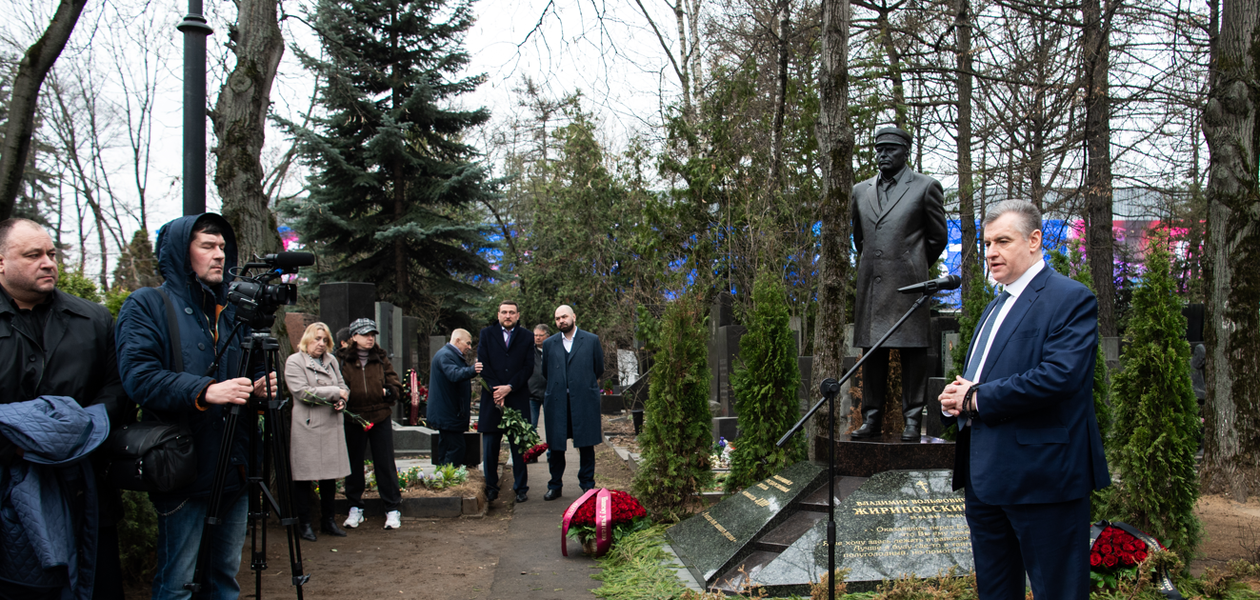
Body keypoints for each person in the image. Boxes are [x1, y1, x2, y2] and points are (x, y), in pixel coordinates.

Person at [938, 200, 1110, 599]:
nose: (991, 253)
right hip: (985, 479)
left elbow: (1060, 377)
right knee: (996, 592)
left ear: (1034, 240)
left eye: (1002, 241)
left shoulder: (1070, 298)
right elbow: (983, 380)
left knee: (1057, 591)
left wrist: (976, 398)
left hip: (1043, 479)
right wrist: (956, 399)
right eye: (986, 244)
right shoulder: (994, 305)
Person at [115, 213, 275, 600]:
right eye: (207, 246)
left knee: (223, 578)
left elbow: (250, 372)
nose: (219, 254)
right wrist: (206, 391)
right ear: (180, 253)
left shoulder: (234, 311)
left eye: (222, 247)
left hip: (234, 469)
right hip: (183, 469)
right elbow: (139, 377)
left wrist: (261, 386)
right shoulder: (147, 305)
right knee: (178, 583)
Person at [0, 218, 127, 599]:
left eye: (52, 254)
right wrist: (19, 446)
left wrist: (76, 435)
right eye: (33, 255)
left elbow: (118, 390)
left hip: (82, 487)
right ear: (1, 262)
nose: (48, 262)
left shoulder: (93, 319)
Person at [850, 126, 948, 441]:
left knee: (913, 352)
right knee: (872, 353)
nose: (882, 155)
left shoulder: (925, 187)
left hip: (909, 285)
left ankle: (911, 419)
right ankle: (872, 418)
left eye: (890, 149)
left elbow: (937, 238)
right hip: (873, 284)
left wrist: (912, 263)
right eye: (878, 150)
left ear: (905, 151)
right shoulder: (860, 190)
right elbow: (859, 237)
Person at [284, 322, 352, 542]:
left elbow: (343, 386)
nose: (321, 344)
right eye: (317, 339)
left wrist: (343, 400)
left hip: (331, 423)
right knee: (304, 477)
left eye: (325, 340)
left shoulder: (332, 361)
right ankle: (304, 524)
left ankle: (329, 521)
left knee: (329, 477)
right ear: (307, 339)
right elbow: (303, 392)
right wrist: (336, 393)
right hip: (308, 425)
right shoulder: (295, 362)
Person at [337, 318, 404, 530]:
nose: (370, 338)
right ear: (353, 336)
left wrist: (389, 391)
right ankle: (355, 507)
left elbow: (395, 382)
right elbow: (338, 384)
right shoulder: (342, 360)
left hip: (380, 416)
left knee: (384, 463)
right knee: (354, 464)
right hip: (353, 417)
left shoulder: (381, 358)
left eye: (372, 335)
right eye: (365, 334)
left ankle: (392, 508)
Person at [540, 305, 604, 501]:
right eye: (557, 318)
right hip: (558, 401)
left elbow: (598, 368)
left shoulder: (591, 340)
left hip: (584, 400)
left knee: (586, 444)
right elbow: (546, 371)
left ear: (574, 316)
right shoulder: (549, 343)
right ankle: (555, 485)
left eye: (564, 316)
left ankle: (587, 485)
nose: (561, 321)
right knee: (556, 446)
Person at [477, 301, 536, 503]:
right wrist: (497, 390)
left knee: (518, 447)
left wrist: (509, 387)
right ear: (498, 314)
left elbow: (528, 367)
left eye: (512, 312)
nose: (508, 315)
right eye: (504, 312)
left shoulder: (527, 336)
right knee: (491, 447)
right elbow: (482, 363)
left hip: (516, 397)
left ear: (518, 315)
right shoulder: (486, 334)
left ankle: (521, 487)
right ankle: (492, 487)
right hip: (492, 399)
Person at [427, 329, 482, 466]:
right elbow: (454, 374)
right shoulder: (446, 355)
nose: (469, 347)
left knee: (446, 446)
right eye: (467, 343)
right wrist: (473, 370)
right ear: (457, 340)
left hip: (448, 411)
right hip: (448, 412)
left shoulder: (450, 355)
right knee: (456, 447)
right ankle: (449, 477)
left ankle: (443, 478)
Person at [527, 324, 549, 428]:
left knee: (551, 425)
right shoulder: (529, 351)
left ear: (547, 336)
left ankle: (551, 444)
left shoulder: (552, 351)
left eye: (541, 335)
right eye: (535, 335)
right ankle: (532, 444)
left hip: (549, 394)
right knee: (531, 425)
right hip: (532, 393)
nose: (538, 338)